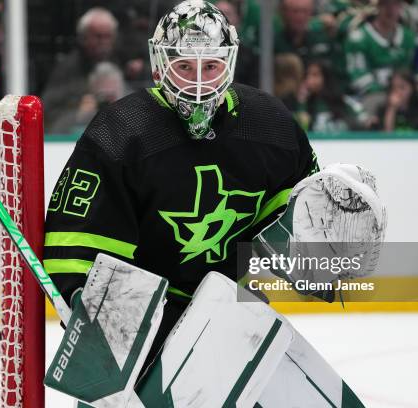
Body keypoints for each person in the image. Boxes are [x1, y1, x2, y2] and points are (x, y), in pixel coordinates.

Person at [44, 0, 319, 368]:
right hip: (144, 320)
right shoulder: (120, 134)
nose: (200, 81)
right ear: (160, 67)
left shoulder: (271, 126)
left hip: (228, 313)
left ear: (230, 63)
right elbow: (75, 242)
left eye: (211, 65)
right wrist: (91, 313)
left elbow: (295, 216)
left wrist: (322, 239)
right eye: (185, 66)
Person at [40, 8, 122, 132]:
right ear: (84, 37)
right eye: (98, 37)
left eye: (108, 37)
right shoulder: (67, 70)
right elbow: (48, 116)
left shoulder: (117, 61)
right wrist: (78, 112)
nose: (104, 43)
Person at [343, 0, 415, 113]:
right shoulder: (359, 38)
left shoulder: (407, 37)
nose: (390, 9)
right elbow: (358, 76)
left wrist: (401, 90)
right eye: (386, 4)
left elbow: (407, 71)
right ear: (378, 6)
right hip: (370, 95)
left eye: (395, 4)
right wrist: (385, 93)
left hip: (401, 94)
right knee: (373, 106)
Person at [297, 60, 371, 132]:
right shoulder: (304, 104)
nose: (309, 80)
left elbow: (364, 120)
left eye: (315, 75)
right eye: (307, 76)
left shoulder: (343, 101)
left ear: (326, 77)